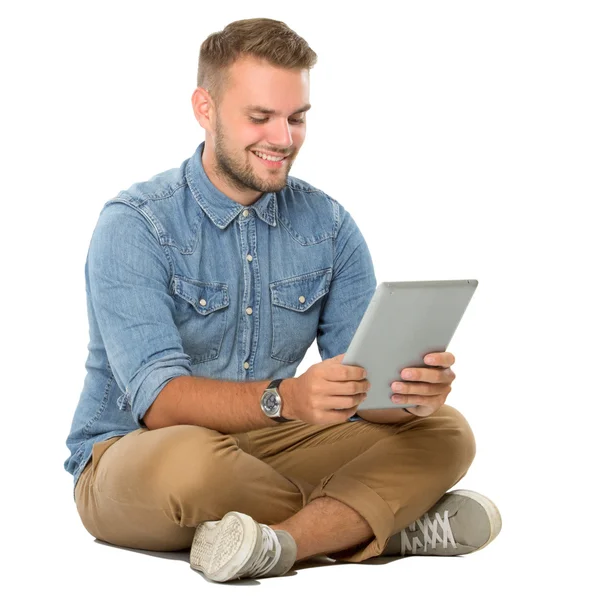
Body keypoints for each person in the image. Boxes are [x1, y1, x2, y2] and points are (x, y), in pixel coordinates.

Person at [64, 17, 501, 583]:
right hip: (135, 459)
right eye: (260, 117)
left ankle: (279, 545)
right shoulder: (135, 225)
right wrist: (286, 399)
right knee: (192, 465)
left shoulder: (329, 226)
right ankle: (379, 523)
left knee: (446, 431)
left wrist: (408, 394)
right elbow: (160, 402)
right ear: (205, 108)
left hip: (268, 449)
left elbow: (362, 397)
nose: (283, 138)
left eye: (296, 118)